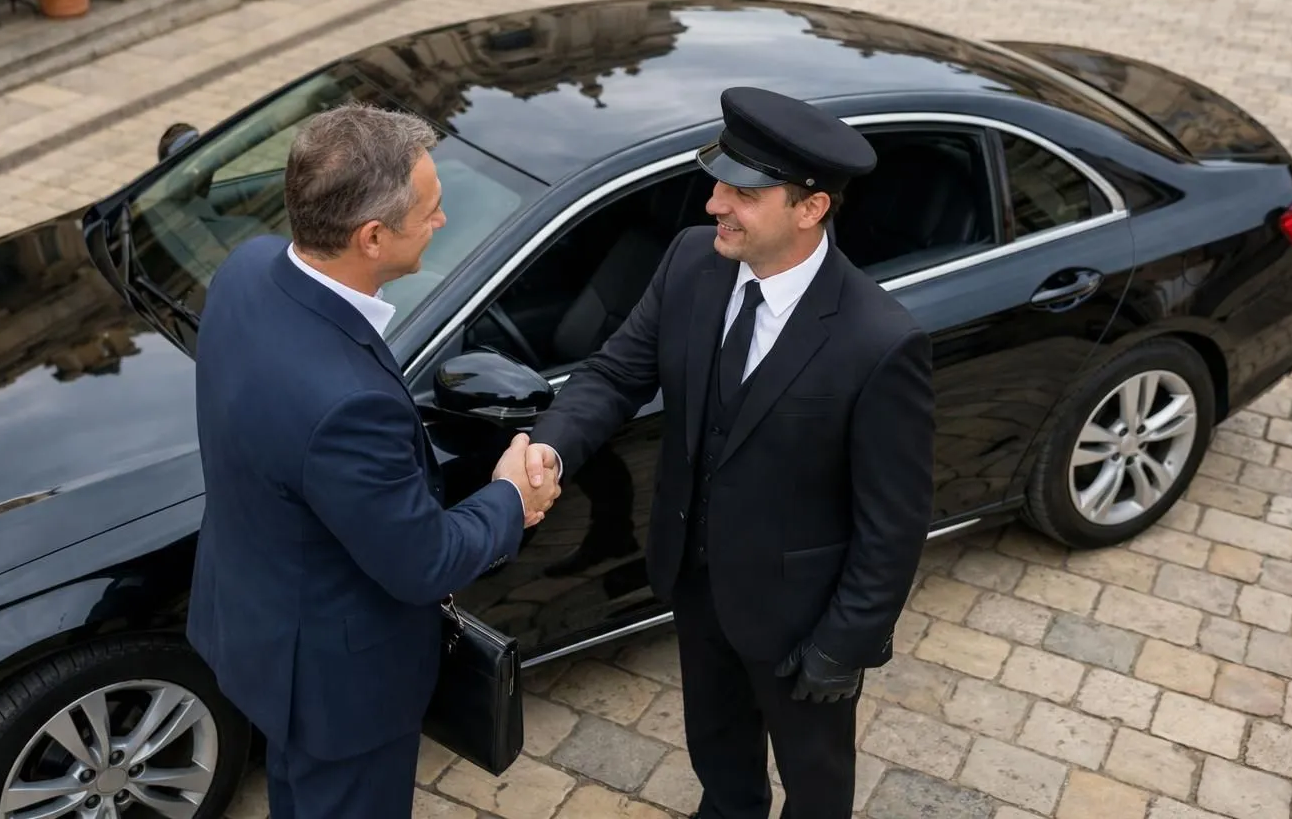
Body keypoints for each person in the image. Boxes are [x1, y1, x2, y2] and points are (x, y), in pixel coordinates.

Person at [524, 87, 935, 819]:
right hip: (694, 581)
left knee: (814, 781)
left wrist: (846, 642)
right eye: (719, 182)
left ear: (810, 209)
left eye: (743, 193)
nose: (716, 204)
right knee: (718, 755)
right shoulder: (690, 261)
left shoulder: (880, 341)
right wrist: (551, 449)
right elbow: (617, 372)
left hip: (803, 619)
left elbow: (893, 523)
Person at [186, 102, 562, 819]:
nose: (442, 222)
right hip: (338, 687)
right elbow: (424, 562)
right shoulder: (347, 407)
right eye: (430, 211)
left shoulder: (248, 269)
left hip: (256, 623)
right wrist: (512, 497)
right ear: (371, 236)